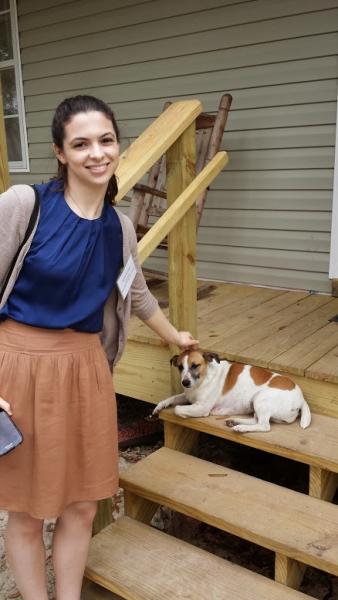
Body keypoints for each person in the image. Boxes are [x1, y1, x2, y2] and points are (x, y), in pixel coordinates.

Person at [0, 95, 198, 600]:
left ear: (119, 145)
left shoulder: (119, 227)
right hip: (19, 367)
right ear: (60, 153)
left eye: (106, 140)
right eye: (80, 143)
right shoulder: (26, 205)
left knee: (83, 504)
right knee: (25, 509)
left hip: (87, 369)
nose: (97, 153)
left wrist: (174, 336)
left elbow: (134, 293)